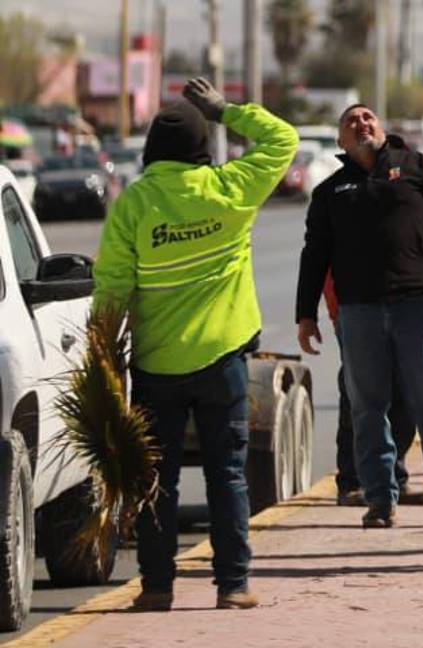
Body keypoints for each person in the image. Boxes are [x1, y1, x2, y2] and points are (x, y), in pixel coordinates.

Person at [93, 78, 299, 611]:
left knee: (154, 478)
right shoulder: (230, 189)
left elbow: (111, 289)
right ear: (201, 148)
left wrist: (103, 362)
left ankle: (156, 587)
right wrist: (225, 110)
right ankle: (232, 585)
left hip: (156, 367)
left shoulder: (134, 204)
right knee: (226, 474)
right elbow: (284, 140)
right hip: (222, 361)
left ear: (151, 151)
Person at [295, 105, 423, 529]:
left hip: (416, 307)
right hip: (359, 313)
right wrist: (305, 315)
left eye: (367, 117)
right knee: (368, 410)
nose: (361, 124)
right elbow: (314, 254)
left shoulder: (418, 168)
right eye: (351, 121)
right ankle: (379, 500)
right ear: (340, 140)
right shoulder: (330, 192)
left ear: (382, 128)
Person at [322, 271, 423, 507]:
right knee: (359, 396)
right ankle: (352, 481)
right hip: (354, 305)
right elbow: (318, 256)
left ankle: (394, 476)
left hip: (403, 300)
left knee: (403, 391)